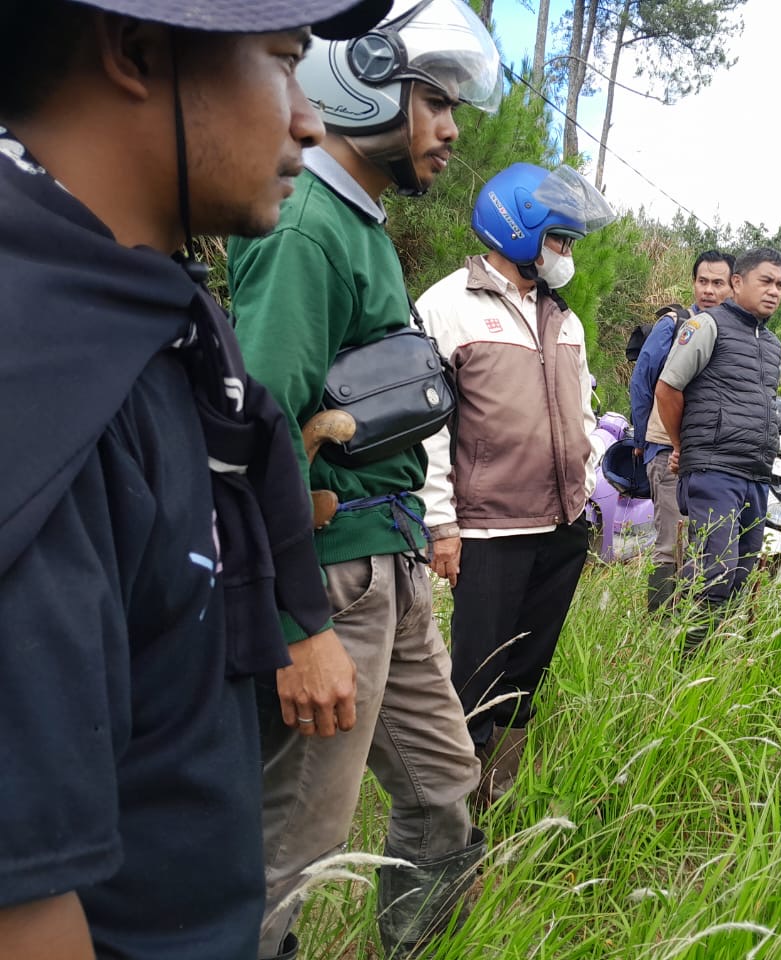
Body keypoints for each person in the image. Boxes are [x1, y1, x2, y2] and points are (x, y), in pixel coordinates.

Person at [0, 0, 390, 957]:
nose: (309, 117)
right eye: (282, 61)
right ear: (135, 51)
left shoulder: (155, 321)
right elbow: (24, 903)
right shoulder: (40, 381)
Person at [225, 3, 502, 957]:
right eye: (433, 101)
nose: (452, 128)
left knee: (443, 791)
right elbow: (256, 432)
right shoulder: (307, 226)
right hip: (332, 575)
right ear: (363, 86)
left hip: (391, 563)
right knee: (293, 843)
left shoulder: (360, 225)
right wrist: (300, 625)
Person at [417, 162, 614, 808]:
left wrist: (584, 491)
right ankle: (449, 823)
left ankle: (493, 803)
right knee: (474, 679)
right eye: (561, 240)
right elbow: (428, 429)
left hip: (561, 530)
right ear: (521, 230)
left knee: (526, 678)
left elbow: (582, 413)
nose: (567, 255)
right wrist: (441, 524)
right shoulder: (447, 307)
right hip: (491, 530)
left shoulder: (565, 319)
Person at [654, 247, 781, 649]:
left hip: (755, 475)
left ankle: (721, 669)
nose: (774, 292)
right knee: (713, 575)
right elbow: (667, 387)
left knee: (743, 578)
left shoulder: (774, 346)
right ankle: (689, 668)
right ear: (738, 283)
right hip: (713, 470)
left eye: (780, 284)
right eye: (765, 281)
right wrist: (683, 445)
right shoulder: (706, 325)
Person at [628, 250, 735, 612]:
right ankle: (658, 630)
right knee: (670, 544)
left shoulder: (730, 331)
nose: (708, 290)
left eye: (717, 283)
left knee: (703, 546)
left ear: (733, 286)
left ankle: (692, 624)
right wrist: (645, 439)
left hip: (713, 456)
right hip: (666, 450)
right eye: (702, 281)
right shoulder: (675, 324)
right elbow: (643, 381)